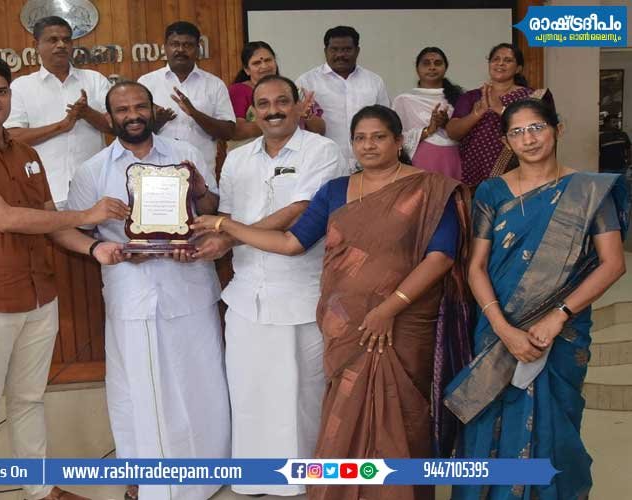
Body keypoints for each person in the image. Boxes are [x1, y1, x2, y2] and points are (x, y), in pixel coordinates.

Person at [193, 105, 473, 500]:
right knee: (344, 414)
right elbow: (291, 242)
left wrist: (388, 309)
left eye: (379, 137)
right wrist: (227, 225)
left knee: (400, 415)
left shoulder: (429, 190)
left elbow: (440, 258)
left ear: (398, 141)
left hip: (403, 324)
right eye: (360, 138)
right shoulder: (336, 190)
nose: (369, 145)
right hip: (346, 325)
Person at [0, 55, 127, 500]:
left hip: (38, 295)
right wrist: (88, 215)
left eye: (0, 91)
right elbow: (5, 218)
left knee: (29, 400)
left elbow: (49, 220)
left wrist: (93, 247)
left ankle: (39, 489)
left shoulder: (26, 153)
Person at [445, 99, 628, 500]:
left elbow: (613, 264)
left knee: (553, 426)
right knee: (488, 419)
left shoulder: (588, 191)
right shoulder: (491, 191)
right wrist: (503, 328)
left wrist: (558, 316)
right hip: (497, 326)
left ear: (557, 129)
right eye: (517, 132)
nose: (528, 139)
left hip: (560, 331)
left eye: (536, 128)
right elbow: (476, 267)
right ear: (506, 141)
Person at [66, 81, 230, 500]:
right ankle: (144, 479)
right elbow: (73, 228)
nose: (133, 115)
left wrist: (199, 191)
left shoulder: (185, 155)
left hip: (188, 286)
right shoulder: (92, 170)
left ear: (153, 110)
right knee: (136, 389)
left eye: (140, 106)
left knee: (200, 380)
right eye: (122, 110)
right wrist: (103, 248)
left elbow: (211, 209)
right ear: (109, 118)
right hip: (131, 291)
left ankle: (206, 476)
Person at [193, 75, 343, 496]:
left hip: (298, 294)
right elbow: (227, 213)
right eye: (263, 103)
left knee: (300, 394)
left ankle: (301, 482)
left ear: (298, 106)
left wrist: (227, 235)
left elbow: (301, 210)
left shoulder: (322, 151)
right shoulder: (237, 158)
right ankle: (254, 478)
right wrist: (218, 226)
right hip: (246, 296)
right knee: (249, 391)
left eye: (282, 101)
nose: (273, 110)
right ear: (253, 111)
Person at [5, 16, 112, 207]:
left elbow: (114, 126)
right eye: (53, 40)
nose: (61, 45)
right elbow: (12, 137)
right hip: (46, 192)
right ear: (36, 45)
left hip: (97, 188)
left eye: (66, 39)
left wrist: (87, 113)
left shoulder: (94, 80)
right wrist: (61, 126)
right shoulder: (21, 87)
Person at [445, 43, 554, 187]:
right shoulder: (471, 97)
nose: (500, 63)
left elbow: (542, 131)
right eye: (496, 59)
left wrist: (501, 109)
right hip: (473, 173)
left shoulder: (531, 97)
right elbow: (452, 133)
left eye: (508, 60)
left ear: (518, 68)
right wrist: (477, 113)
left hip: (519, 172)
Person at [138, 21, 235, 170]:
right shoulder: (146, 83)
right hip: (157, 171)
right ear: (165, 48)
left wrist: (195, 114)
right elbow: (135, 134)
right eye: (174, 44)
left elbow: (228, 132)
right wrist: (158, 122)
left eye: (188, 45)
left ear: (198, 49)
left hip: (200, 171)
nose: (180, 50)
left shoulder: (214, 84)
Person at [296, 26, 390, 170]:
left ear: (357, 51)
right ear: (325, 51)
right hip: (323, 163)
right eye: (334, 49)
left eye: (347, 49)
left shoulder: (374, 81)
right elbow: (297, 125)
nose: (340, 54)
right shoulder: (307, 82)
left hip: (368, 163)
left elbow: (385, 123)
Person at [228, 41, 325, 145]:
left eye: (268, 60)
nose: (264, 66)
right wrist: (283, 122)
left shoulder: (294, 90)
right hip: (253, 153)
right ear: (247, 70)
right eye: (257, 63)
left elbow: (320, 130)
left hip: (298, 152)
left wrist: (306, 116)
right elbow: (236, 131)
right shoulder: (239, 91)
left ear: (275, 62)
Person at [392, 47, 463, 180]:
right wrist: (428, 130)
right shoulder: (403, 101)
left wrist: (447, 124)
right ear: (417, 69)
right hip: (420, 163)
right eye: (426, 63)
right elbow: (394, 139)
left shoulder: (460, 99)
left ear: (446, 67)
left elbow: (469, 134)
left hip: (454, 161)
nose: (432, 67)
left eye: (437, 63)